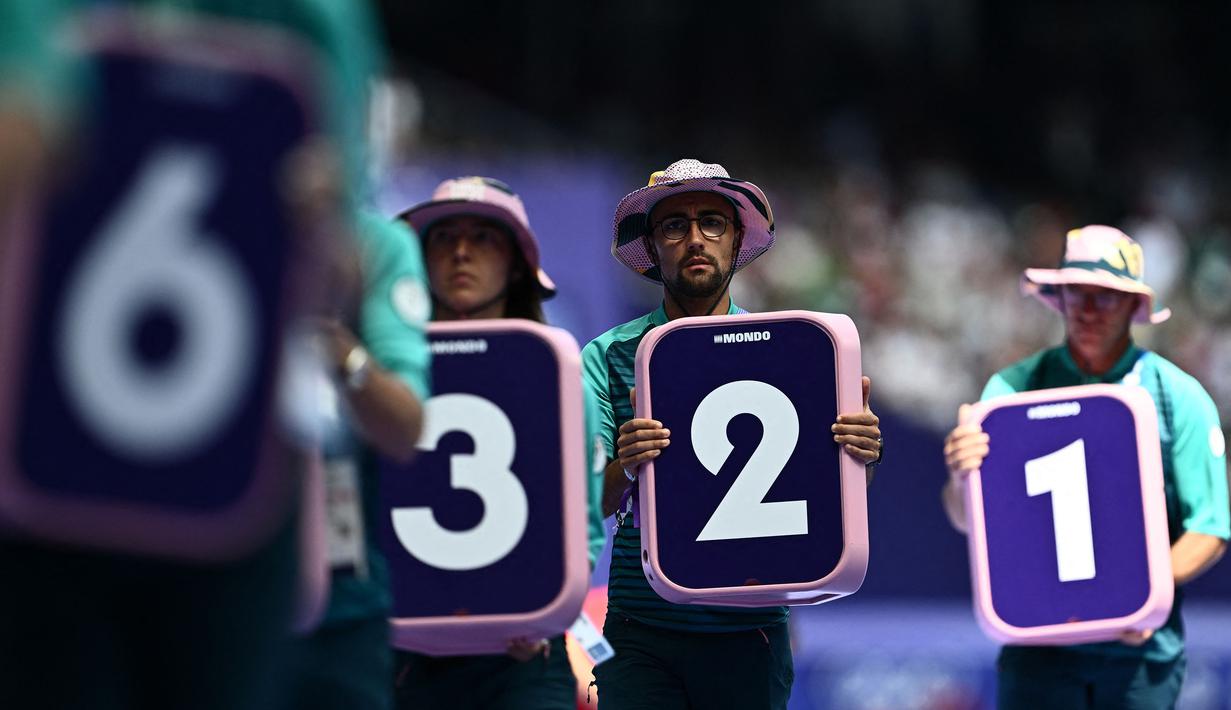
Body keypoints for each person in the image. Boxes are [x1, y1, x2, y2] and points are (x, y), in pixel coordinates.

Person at [0, 3, 429, 710]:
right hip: (48, 480)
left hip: (236, 496)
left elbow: (342, 247)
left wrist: (316, 229)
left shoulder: (320, 17)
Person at [583, 159, 883, 709]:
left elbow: (831, 499)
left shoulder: (790, 353)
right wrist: (626, 465)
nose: (694, 238)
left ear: (736, 238)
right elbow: (587, 504)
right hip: (640, 627)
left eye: (711, 223)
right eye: (674, 225)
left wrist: (859, 456)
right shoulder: (608, 356)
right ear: (651, 248)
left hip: (753, 629)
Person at [941, 225, 1230, 709]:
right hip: (1038, 647)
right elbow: (970, 521)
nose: (1089, 309)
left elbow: (1210, 526)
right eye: (1078, 292)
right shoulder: (1013, 388)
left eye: (1107, 297)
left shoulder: (1177, 396)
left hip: (1139, 653)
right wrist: (959, 476)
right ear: (1059, 297)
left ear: (1134, 307)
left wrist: (1143, 596)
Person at [390, 176, 607, 709]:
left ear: (514, 262)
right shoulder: (386, 379)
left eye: (483, 237)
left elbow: (584, 525)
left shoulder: (559, 376)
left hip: (524, 659)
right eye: (444, 238)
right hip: (405, 658)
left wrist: (543, 614)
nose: (461, 252)